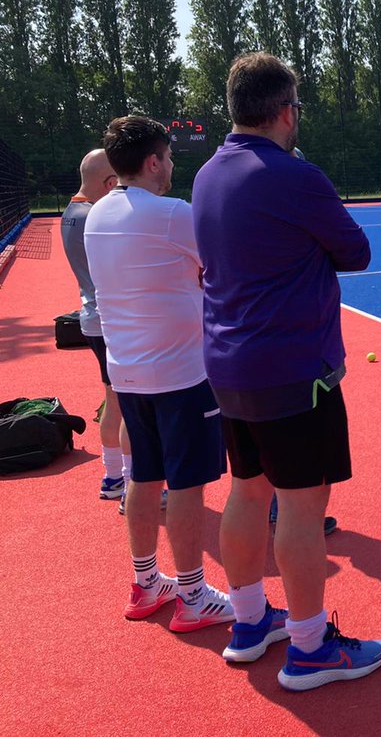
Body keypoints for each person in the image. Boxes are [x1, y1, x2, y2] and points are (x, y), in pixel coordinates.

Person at [192, 53, 381, 689]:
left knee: (247, 491)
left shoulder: (207, 174)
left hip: (228, 362)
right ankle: (309, 647)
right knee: (303, 507)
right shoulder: (294, 176)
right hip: (293, 368)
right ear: (283, 110)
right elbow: (355, 252)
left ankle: (249, 622)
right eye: (297, 105)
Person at [84, 116, 233, 633]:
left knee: (143, 479)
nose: (171, 165)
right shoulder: (173, 214)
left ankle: (147, 584)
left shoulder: (96, 215)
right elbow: (220, 266)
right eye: (168, 157)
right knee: (188, 486)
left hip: (128, 373)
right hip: (182, 373)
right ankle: (193, 595)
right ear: (152, 162)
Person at [61, 149, 130, 501]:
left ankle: (113, 476)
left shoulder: (71, 212)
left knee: (113, 399)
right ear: (109, 182)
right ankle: (131, 482)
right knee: (128, 403)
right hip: (110, 321)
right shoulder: (95, 217)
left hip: (92, 318)